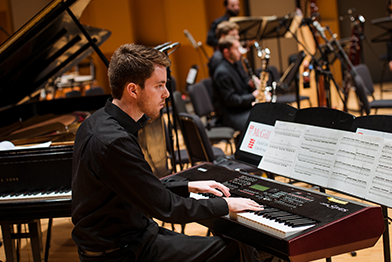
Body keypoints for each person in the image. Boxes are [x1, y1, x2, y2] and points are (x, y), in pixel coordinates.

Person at [71, 43, 265, 262]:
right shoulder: (115, 142)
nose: (166, 93)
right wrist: (226, 205)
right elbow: (167, 208)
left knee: (234, 244)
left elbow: (138, 186)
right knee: (237, 250)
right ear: (133, 90)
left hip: (130, 238)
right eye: (159, 86)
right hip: (122, 253)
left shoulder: (96, 122)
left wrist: (187, 186)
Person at [213, 36, 259, 135]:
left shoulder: (236, 64)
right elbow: (231, 100)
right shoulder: (222, 72)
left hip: (242, 108)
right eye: (236, 49)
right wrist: (253, 96)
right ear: (226, 52)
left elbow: (242, 87)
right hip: (232, 114)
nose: (240, 51)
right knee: (259, 123)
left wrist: (250, 84)